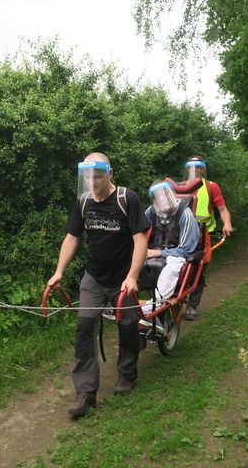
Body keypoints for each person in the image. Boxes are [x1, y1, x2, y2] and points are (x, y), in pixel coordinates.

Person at [47, 153, 149, 418]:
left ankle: (127, 374)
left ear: (110, 173)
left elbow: (140, 240)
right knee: (84, 328)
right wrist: (59, 271)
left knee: (127, 326)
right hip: (93, 277)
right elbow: (72, 238)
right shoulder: (83, 202)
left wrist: (133, 276)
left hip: (123, 278)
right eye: (88, 177)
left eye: (98, 176)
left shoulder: (128, 199)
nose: (92, 181)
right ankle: (86, 393)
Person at [139, 180, 200, 327]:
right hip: (154, 252)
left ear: (170, 195)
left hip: (177, 255)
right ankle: (120, 300)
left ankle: (150, 308)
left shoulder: (185, 214)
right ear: (154, 199)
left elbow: (186, 250)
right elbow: (137, 234)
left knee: (173, 264)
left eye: (165, 196)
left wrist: (158, 253)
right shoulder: (151, 212)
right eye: (158, 197)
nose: (163, 200)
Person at [182, 156, 234, 320]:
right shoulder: (179, 186)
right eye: (191, 166)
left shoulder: (211, 186)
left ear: (202, 169)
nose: (195, 169)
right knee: (178, 265)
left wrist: (227, 223)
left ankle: (192, 305)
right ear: (187, 169)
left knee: (198, 269)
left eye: (198, 167)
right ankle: (177, 298)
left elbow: (223, 209)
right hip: (181, 233)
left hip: (203, 234)